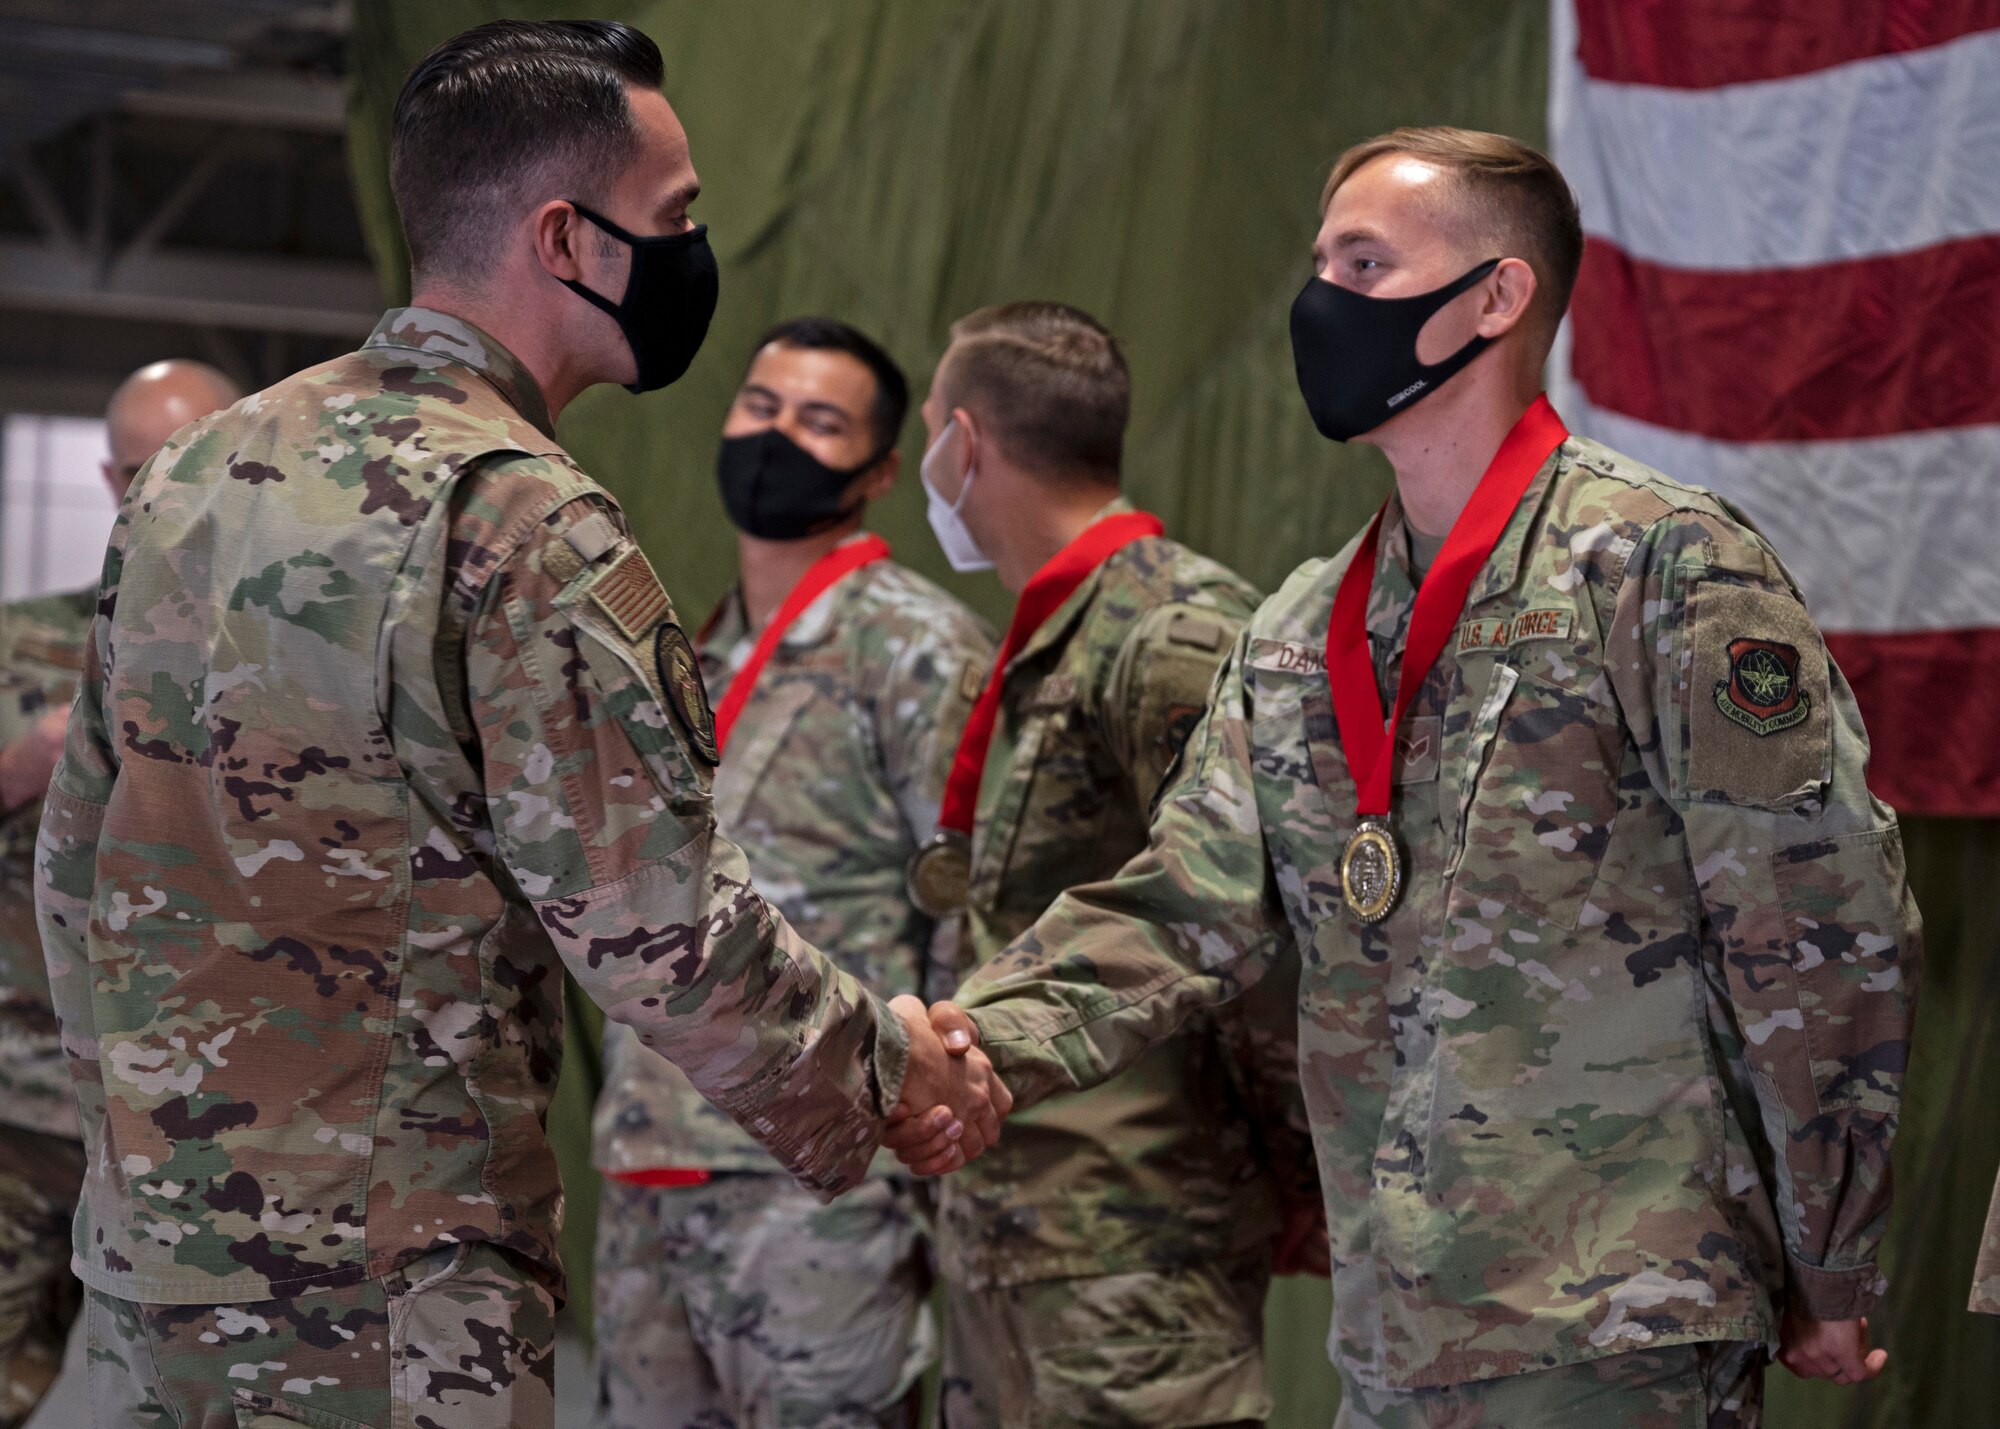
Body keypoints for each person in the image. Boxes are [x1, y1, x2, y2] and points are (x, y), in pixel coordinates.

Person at [34, 22, 1005, 1429]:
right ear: (568, 237)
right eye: (674, 218)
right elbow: (658, 928)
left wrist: (139, 1145)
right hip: (390, 1286)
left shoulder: (197, 470)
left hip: (153, 1277)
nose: (691, 249)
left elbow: (80, 855)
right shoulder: (519, 515)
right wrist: (888, 1072)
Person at [895, 128, 1921, 1428]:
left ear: (1497, 297)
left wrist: (1829, 1249)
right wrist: (972, 1038)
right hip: (1389, 1338)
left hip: (1614, 1321)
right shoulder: (1297, 629)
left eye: (1366, 262)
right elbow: (1180, 907)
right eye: (1320, 260)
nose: (1321, 301)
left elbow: (1819, 923)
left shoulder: (1661, 568)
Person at [909, 301, 1319, 1428]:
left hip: (1136, 1246)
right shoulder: (1051, 631)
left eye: (931, 445)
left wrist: (1295, 1179)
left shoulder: (1172, 635)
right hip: (1008, 1231)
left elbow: (1260, 937)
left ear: (964, 443)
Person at [589, 316, 994, 1428]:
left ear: (875, 472)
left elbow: (974, 915)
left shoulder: (918, 648)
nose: (776, 438)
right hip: (648, 1163)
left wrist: (929, 1116)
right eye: (760, 409)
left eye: (819, 423)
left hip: (819, 1186)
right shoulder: (690, 653)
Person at [0, 359, 240, 1425]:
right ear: (108, 476)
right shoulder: (22, 644)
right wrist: (35, 756)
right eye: (147, 469)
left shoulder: (298, 657)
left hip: (205, 1127)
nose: (170, 497)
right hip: (18, 1105)